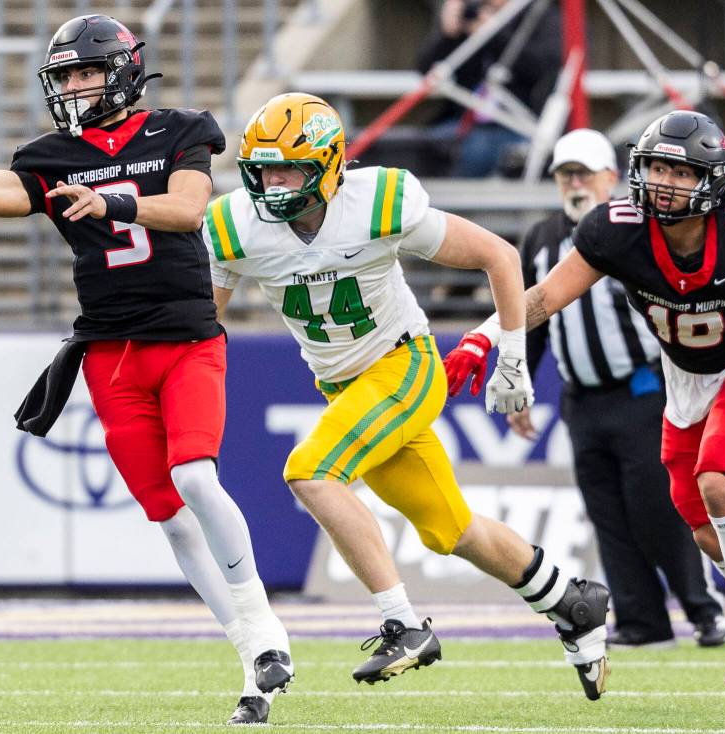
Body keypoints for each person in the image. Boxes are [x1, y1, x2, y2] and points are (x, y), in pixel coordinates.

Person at [0, 14, 291, 725]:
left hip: (185, 338)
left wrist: (114, 198)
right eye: (66, 77)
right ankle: (249, 658)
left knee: (196, 475)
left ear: (124, 70)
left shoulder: (179, 128)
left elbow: (188, 208)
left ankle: (265, 629)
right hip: (110, 355)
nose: (76, 87)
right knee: (170, 520)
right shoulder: (51, 156)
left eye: (86, 72)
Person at [203, 92, 611, 700]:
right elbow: (202, 326)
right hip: (345, 387)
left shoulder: (376, 202)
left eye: (288, 168)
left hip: (404, 366)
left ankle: (402, 623)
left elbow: (499, 257)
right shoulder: (234, 224)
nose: (273, 183)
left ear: (329, 164)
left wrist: (514, 359)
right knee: (451, 531)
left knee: (310, 471)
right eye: (263, 168)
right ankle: (570, 601)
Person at [445, 110, 725, 691]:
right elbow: (544, 297)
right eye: (656, 167)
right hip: (684, 376)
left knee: (719, 482)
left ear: (713, 181)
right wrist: (483, 336)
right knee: (700, 527)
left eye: (680, 171)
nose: (664, 182)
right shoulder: (616, 228)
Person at [509, 127, 725, 649]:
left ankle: (704, 610)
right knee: (607, 516)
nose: (575, 182)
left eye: (584, 172)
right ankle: (640, 620)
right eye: (566, 174)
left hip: (640, 390)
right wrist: (518, 380)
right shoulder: (541, 237)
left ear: (612, 176)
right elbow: (535, 318)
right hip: (580, 400)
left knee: (657, 509)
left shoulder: (635, 232)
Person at [415, 0, 561, 177]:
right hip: (464, 121)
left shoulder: (539, 15)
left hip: (519, 124)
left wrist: (495, 33)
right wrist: (448, 34)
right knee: (413, 146)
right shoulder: (473, 13)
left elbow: (543, 68)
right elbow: (426, 69)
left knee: (477, 148)